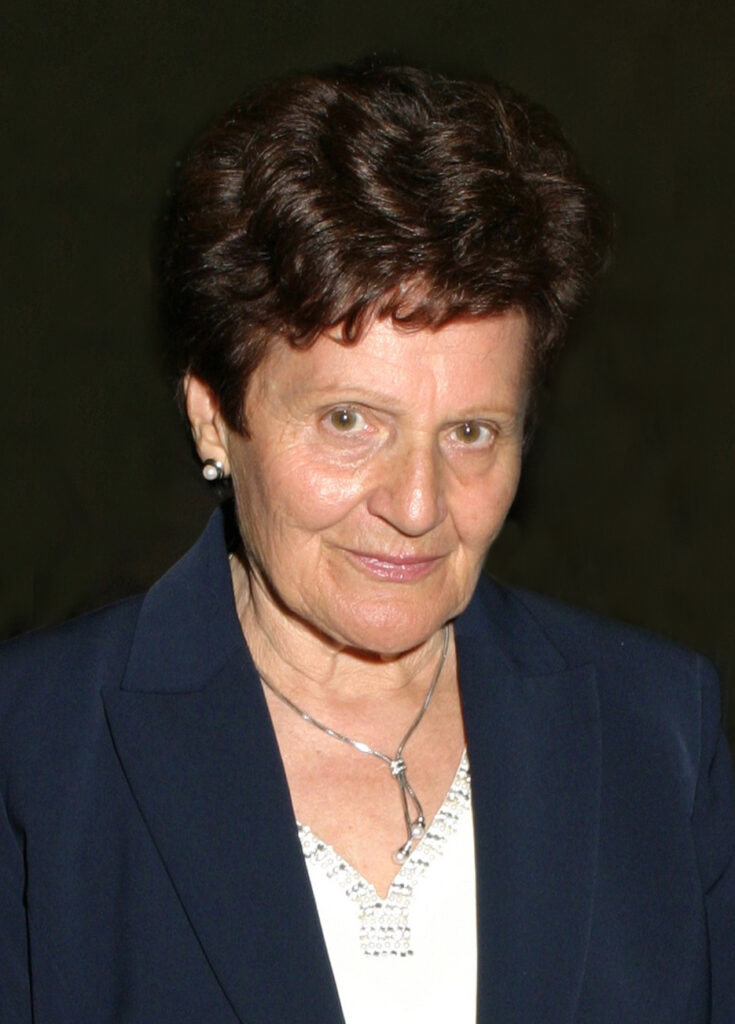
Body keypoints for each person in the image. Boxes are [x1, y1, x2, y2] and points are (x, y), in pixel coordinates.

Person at [1, 61, 733, 1024]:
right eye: (349, 421)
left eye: (471, 432)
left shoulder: (658, 730)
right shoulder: (37, 750)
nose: (419, 505)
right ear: (214, 417)